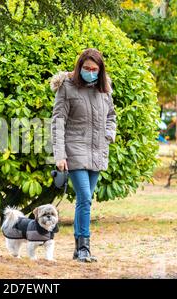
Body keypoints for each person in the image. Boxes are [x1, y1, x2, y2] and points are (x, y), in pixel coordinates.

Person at [50, 48, 117, 263]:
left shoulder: (104, 89)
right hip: (74, 150)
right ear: (79, 67)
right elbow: (58, 122)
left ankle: (79, 248)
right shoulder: (67, 87)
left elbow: (111, 116)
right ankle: (84, 248)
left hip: (97, 152)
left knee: (84, 200)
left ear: (100, 70)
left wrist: (109, 134)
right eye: (87, 68)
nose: (90, 72)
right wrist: (60, 155)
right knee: (85, 198)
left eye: (95, 69)